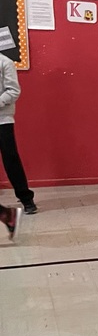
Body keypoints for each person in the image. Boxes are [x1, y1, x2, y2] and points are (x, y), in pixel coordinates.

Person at [0, 53, 36, 215]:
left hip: (2, 120)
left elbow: (14, 91)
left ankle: (26, 199)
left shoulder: (5, 62)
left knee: (10, 159)